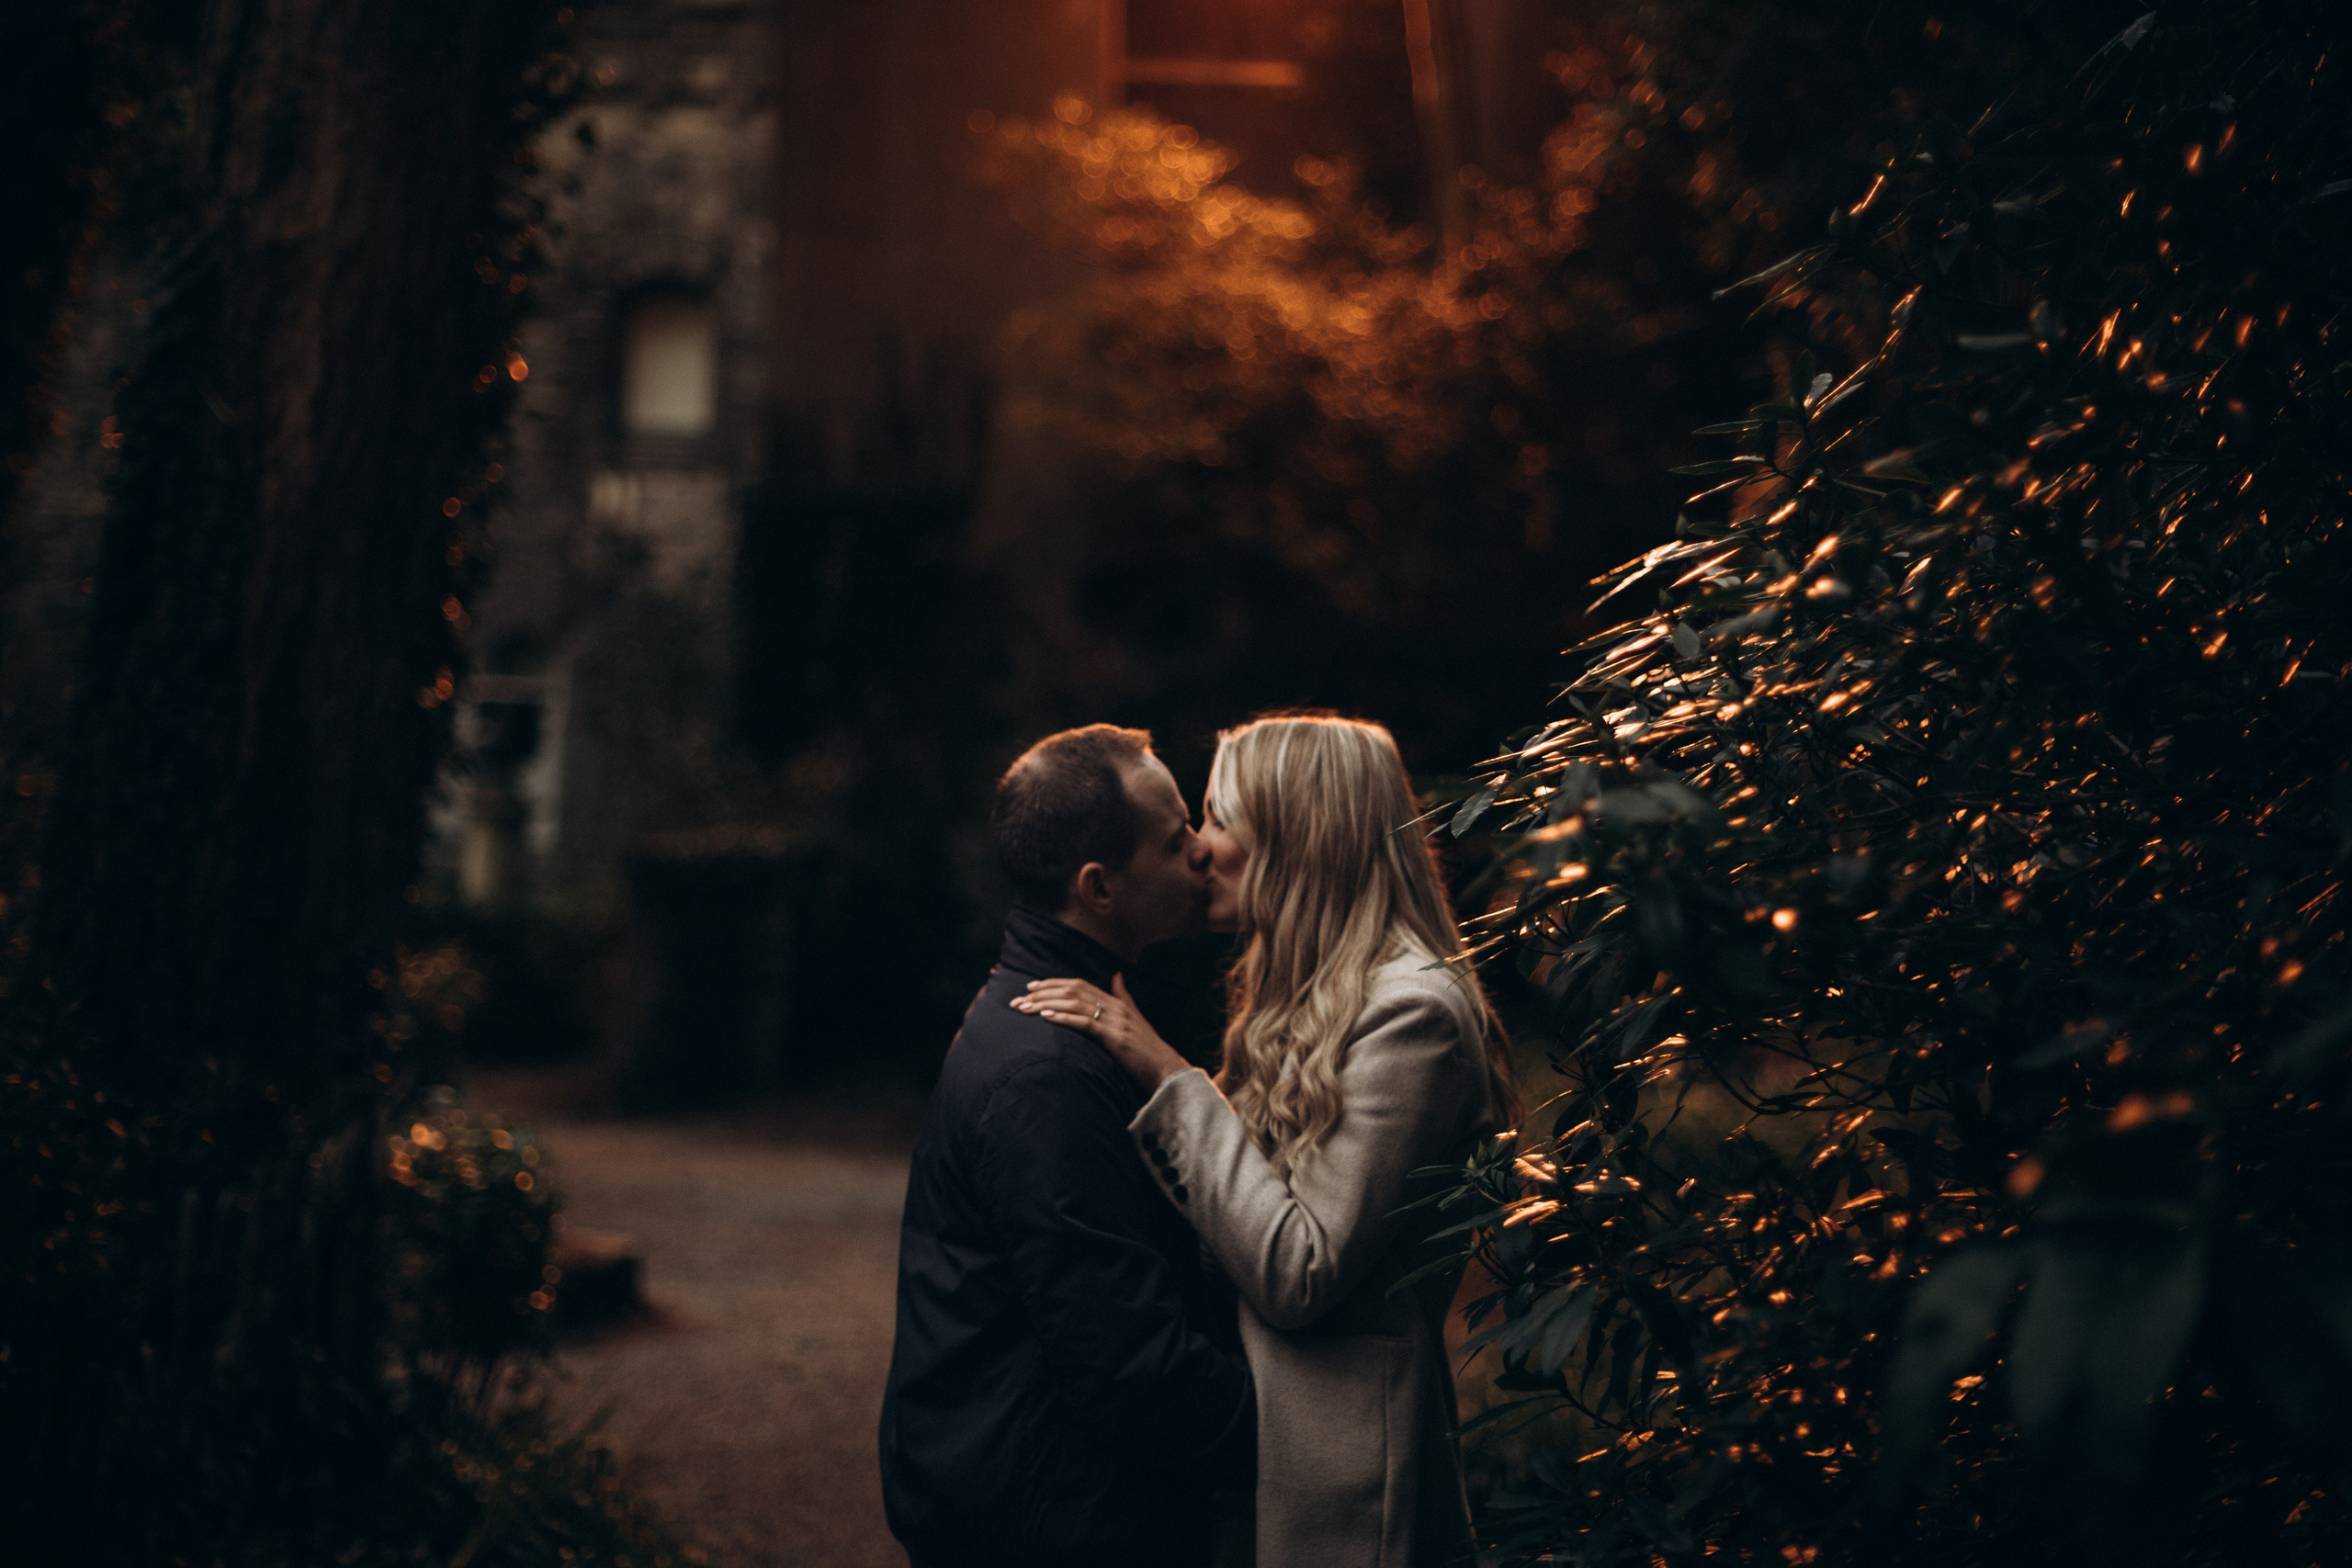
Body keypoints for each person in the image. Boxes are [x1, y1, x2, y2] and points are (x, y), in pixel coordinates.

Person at [1014, 714, 1515, 1568]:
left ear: (1298, 838)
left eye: (1218, 818)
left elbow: (1298, 1267)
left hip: (1349, 1478)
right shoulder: (1312, 993)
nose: (1200, 848)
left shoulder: (1412, 1014)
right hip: (1269, 1452)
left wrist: (1171, 1077)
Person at [878, 724, 1256, 1568]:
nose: (1203, 852)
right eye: (1174, 838)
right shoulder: (1046, 1071)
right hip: (1048, 1524)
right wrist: (1309, 1437)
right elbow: (1129, 1363)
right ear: (1100, 888)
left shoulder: (1072, 1016)